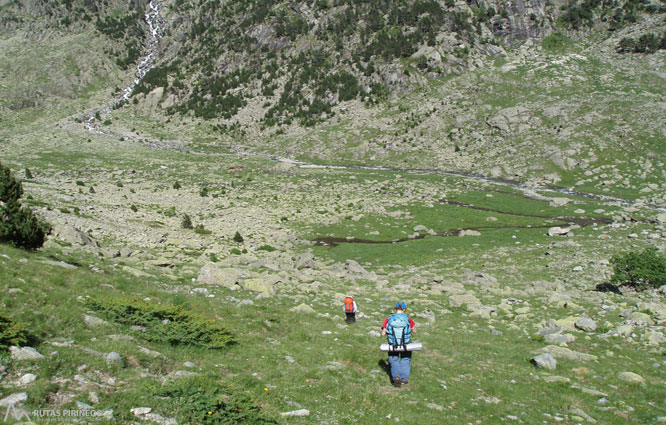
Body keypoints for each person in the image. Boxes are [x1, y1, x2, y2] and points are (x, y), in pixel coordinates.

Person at [381, 302, 416, 387]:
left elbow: (383, 333)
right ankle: (404, 379)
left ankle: (396, 377)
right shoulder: (407, 318)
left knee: (393, 360)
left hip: (393, 344)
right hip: (406, 343)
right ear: (404, 309)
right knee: (405, 359)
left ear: (395, 309)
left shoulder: (389, 318)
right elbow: (414, 331)